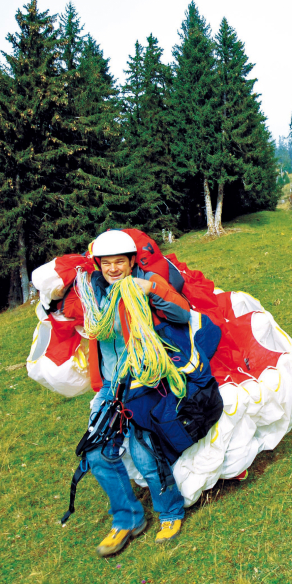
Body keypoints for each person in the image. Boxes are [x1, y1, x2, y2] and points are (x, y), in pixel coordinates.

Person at [67, 230, 192, 556]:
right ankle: (128, 519)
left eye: (119, 262)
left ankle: (170, 511)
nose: (112, 269)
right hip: (111, 385)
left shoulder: (145, 282)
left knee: (143, 453)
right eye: (105, 263)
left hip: (144, 378)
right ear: (98, 264)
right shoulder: (92, 291)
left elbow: (183, 312)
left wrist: (151, 289)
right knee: (95, 455)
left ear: (131, 261)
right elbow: (67, 308)